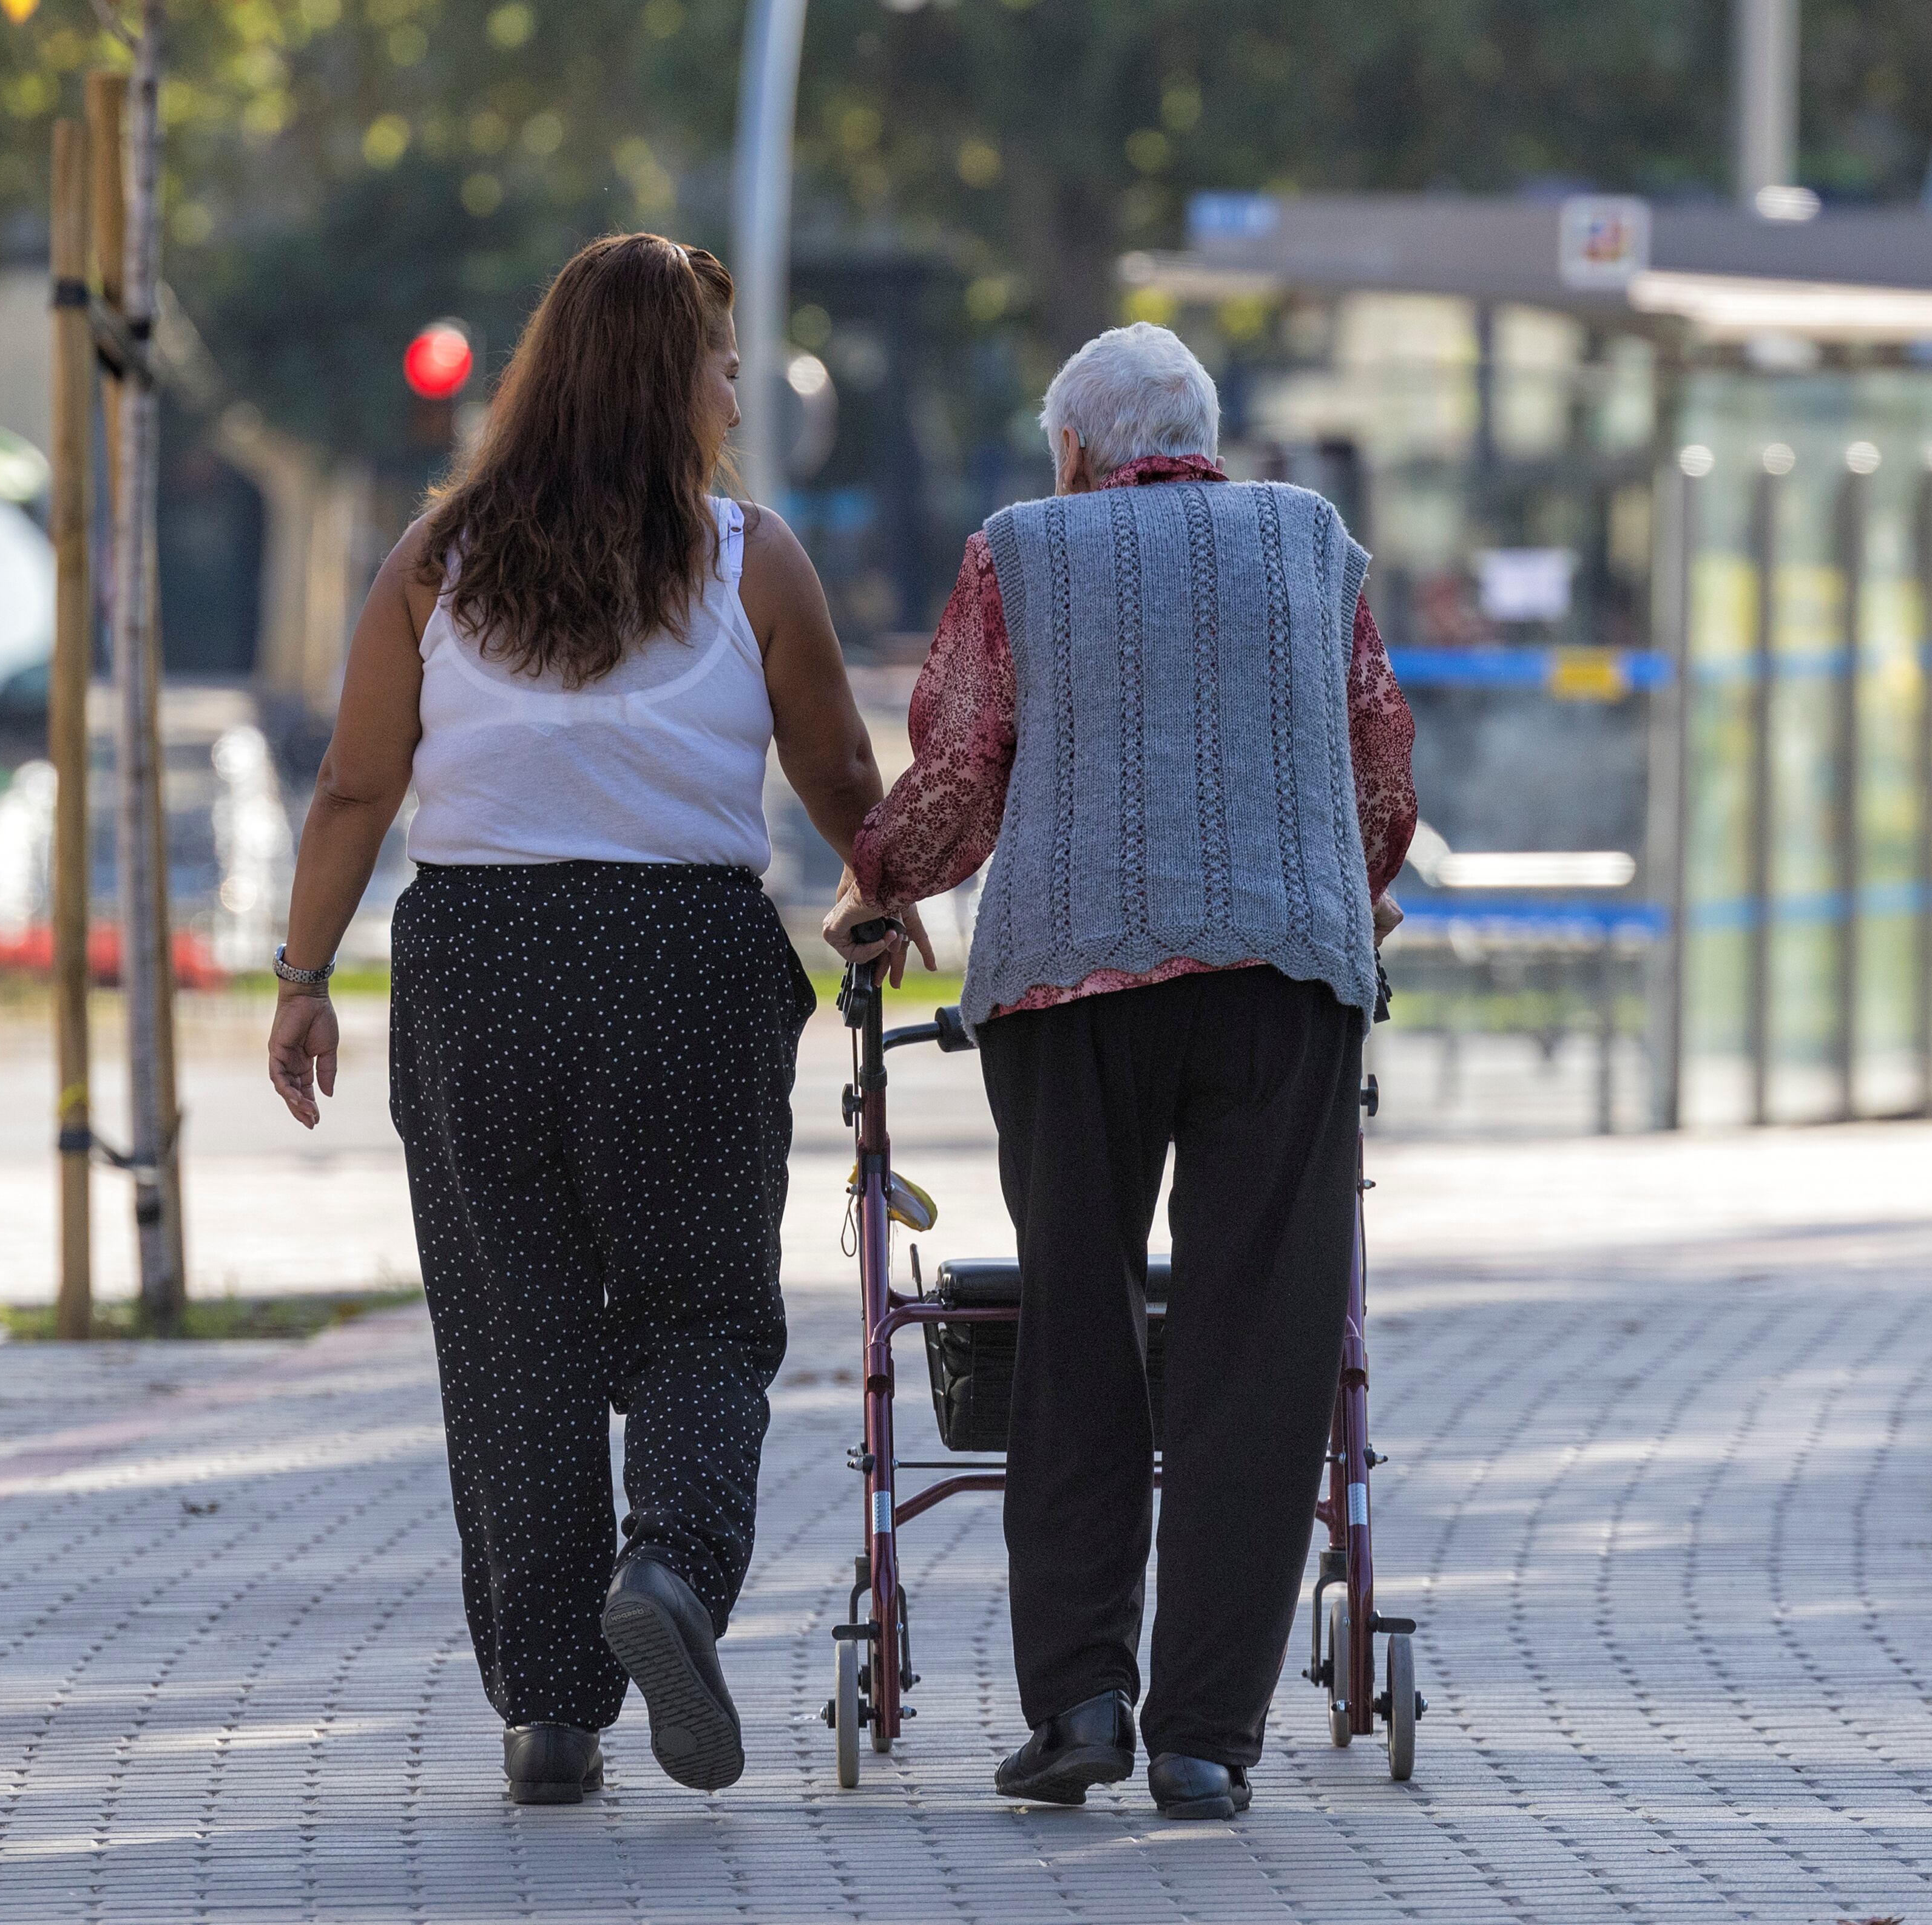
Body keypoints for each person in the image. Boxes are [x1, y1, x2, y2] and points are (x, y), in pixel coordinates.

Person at [266, 233, 900, 1806]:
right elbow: (837, 774)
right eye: (725, 362)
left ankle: (553, 1710)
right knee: (700, 1307)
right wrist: (893, 897)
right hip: (683, 961)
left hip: (481, 966)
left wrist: (301, 978)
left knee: (516, 1336)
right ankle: (673, 1570)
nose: (739, 390)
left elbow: (356, 781)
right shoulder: (751, 557)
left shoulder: (439, 557)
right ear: (677, 381)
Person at [829, 322, 1416, 1821]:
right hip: (1284, 977)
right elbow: (1377, 761)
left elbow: (966, 766)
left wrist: (879, 885)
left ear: (1077, 451)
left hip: (1071, 989)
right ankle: (1209, 1733)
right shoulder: (1311, 541)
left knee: (1079, 1321)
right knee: (1258, 1343)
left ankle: (1080, 1697)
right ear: (1202, 438)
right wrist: (1357, 880)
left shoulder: (1022, 548)